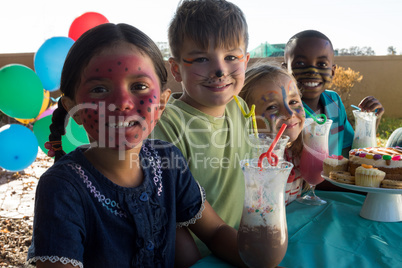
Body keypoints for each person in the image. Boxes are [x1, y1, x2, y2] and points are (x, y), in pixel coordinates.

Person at [26, 23, 246, 268]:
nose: (122, 103)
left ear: (162, 103)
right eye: (99, 89)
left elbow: (215, 232)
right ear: (73, 109)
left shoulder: (167, 160)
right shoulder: (62, 188)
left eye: (139, 86)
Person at [151, 0, 252, 257]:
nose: (219, 70)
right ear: (176, 69)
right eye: (201, 59)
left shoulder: (240, 107)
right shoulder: (166, 123)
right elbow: (167, 213)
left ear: (246, 61)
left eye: (231, 57)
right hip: (196, 258)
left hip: (243, 245)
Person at [283, 30, 385, 158]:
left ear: (332, 72)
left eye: (321, 64)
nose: (312, 71)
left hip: (333, 177)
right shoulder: (284, 110)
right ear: (285, 71)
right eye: (300, 63)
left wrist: (370, 120)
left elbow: (351, 151)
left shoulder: (334, 101)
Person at [239, 62, 306, 204]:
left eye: (293, 101)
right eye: (272, 107)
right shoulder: (246, 169)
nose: (289, 113)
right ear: (246, 117)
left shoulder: (299, 154)